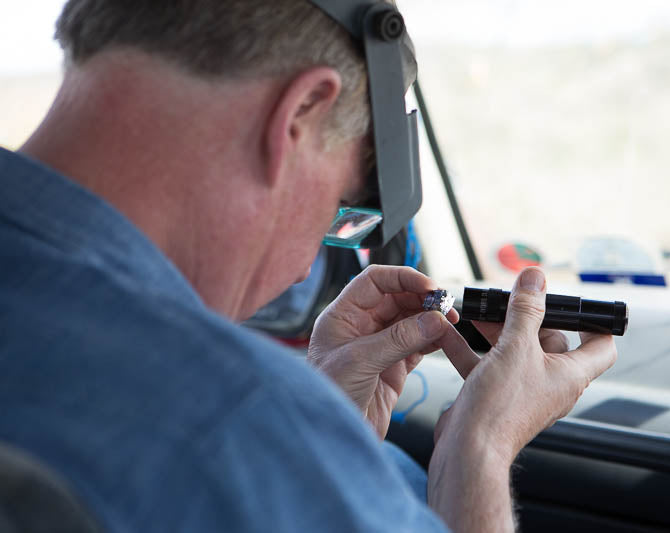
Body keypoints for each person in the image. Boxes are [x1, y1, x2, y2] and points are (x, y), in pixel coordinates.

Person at [0, 1, 617, 531]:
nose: (304, 272)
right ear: (299, 115)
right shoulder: (235, 417)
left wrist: (318, 421)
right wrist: (478, 451)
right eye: (338, 212)